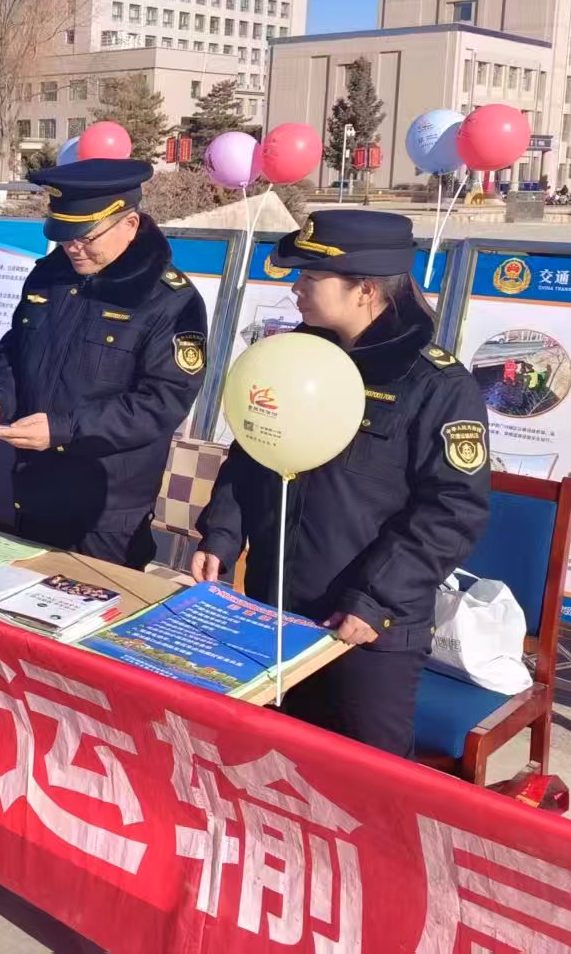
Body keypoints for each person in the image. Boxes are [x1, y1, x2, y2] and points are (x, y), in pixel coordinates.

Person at [190, 210, 491, 758]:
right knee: (268, 759)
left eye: (311, 277)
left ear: (365, 290)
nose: (296, 288)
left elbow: (452, 512)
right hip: (276, 606)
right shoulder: (293, 359)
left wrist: (374, 599)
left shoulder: (436, 385)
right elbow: (251, 450)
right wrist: (223, 533)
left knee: (367, 780)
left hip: (366, 627)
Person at [0, 159, 208, 566]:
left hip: (105, 512)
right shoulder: (49, 277)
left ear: (129, 224)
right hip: (31, 486)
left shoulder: (170, 299)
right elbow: (16, 347)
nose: (72, 247)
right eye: (63, 235)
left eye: (86, 236)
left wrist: (64, 429)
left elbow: (161, 402)